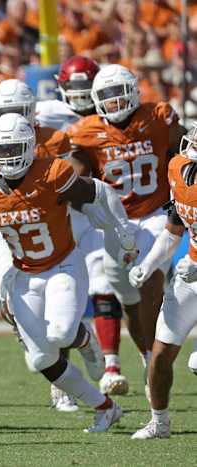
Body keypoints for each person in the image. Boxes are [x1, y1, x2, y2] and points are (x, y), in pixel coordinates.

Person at [0, 113, 136, 433]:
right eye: (1, 150)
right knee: (41, 360)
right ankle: (105, 407)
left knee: (61, 335)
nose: (8, 156)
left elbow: (96, 193)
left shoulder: (53, 173)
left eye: (14, 147)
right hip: (23, 274)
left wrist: (119, 230)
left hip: (63, 265)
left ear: (30, 148)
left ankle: (85, 339)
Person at [0, 78, 102, 412]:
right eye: (5, 112)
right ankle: (64, 356)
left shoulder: (51, 137)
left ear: (32, 112)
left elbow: (80, 170)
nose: (12, 119)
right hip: (4, 227)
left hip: (48, 223)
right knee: (12, 303)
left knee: (56, 309)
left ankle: (63, 378)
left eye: (19, 111)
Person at [68, 64, 187, 400]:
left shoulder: (158, 116)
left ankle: (153, 362)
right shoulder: (86, 131)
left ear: (135, 91)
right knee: (128, 298)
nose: (115, 101)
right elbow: (77, 177)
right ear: (95, 99)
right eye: (106, 95)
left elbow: (184, 151)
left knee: (149, 283)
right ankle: (149, 355)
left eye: (120, 92)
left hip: (155, 213)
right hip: (114, 220)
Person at [37, 56, 128, 397]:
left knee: (103, 282)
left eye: (84, 88)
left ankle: (112, 364)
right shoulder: (45, 113)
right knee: (52, 289)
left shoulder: (110, 111)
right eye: (72, 88)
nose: (79, 96)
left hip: (92, 205)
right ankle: (61, 381)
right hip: (52, 211)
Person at [129, 123, 197, 439]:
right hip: (190, 274)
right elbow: (173, 229)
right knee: (160, 354)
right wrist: (148, 264)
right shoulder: (177, 169)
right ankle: (159, 421)